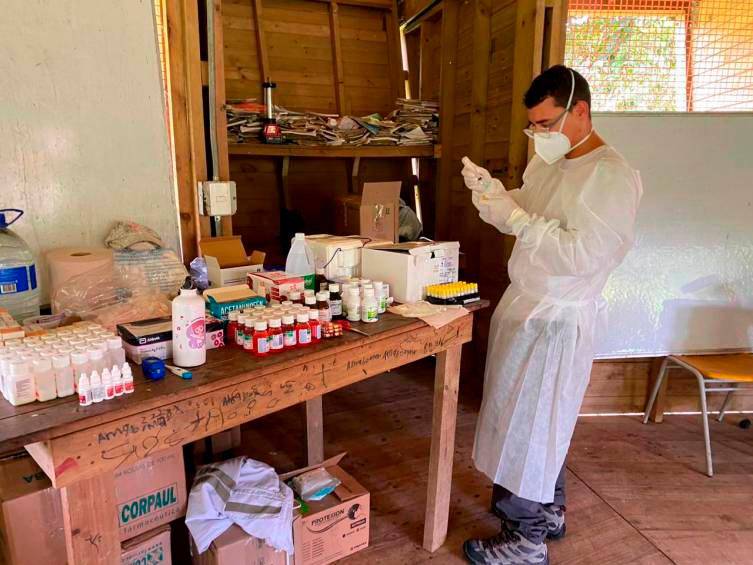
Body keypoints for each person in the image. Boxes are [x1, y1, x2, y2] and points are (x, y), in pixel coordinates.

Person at [461, 65, 643, 565]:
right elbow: (527, 212)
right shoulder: (549, 162)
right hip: (526, 306)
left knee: (531, 425)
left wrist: (520, 219)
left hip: (558, 318)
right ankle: (549, 509)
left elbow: (586, 255)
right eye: (533, 126)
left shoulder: (610, 176)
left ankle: (526, 540)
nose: (538, 135)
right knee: (535, 421)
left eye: (545, 124)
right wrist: (494, 195)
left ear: (579, 111)